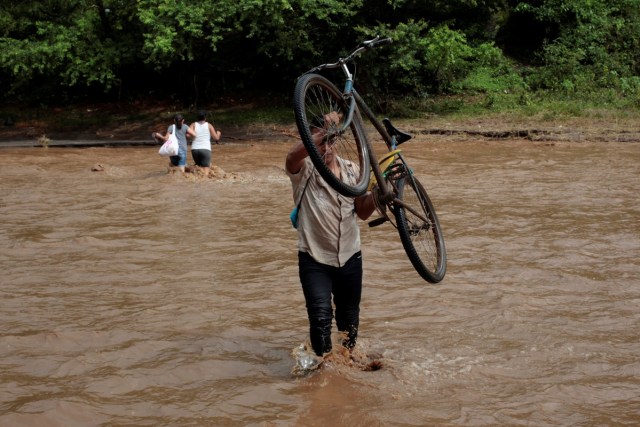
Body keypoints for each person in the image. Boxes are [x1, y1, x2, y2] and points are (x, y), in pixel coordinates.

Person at [285, 113, 378, 360]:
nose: (326, 146)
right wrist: (323, 131)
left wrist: (379, 196)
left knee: (349, 322)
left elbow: (363, 211)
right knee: (320, 319)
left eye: (331, 140)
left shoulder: (352, 170)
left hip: (350, 257)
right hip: (315, 259)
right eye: (319, 141)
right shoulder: (304, 170)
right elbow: (292, 157)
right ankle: (323, 371)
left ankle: (345, 364)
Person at [188, 110, 221, 176]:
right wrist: (218, 134)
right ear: (205, 117)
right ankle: (204, 182)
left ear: (197, 117)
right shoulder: (209, 125)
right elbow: (216, 138)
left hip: (195, 149)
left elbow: (188, 135)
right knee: (205, 169)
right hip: (205, 149)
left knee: (198, 167)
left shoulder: (193, 125)